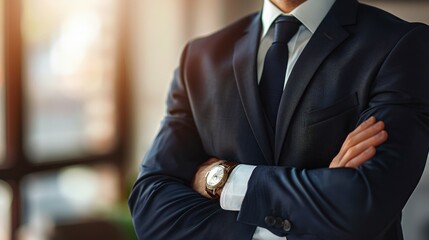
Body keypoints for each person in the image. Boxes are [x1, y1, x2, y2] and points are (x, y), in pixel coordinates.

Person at [128, 0, 429, 239]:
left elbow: (364, 203)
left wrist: (223, 179)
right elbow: (149, 204)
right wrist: (312, 207)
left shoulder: (401, 45)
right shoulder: (199, 57)